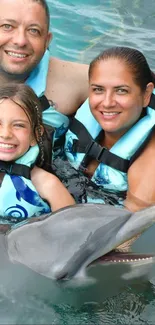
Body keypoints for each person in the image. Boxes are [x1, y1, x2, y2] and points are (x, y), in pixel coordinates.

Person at [62, 46, 155, 212]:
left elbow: (130, 230)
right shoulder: (82, 111)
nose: (107, 102)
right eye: (98, 89)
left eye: (121, 91)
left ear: (146, 94)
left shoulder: (149, 163)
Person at [0, 0, 89, 143]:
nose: (20, 41)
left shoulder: (75, 81)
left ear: (47, 41)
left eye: (33, 30)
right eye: (7, 26)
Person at [0, 83, 75, 225]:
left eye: (19, 125)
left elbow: (74, 233)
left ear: (36, 134)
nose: (5, 134)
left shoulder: (48, 185)